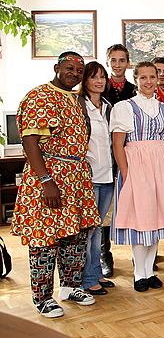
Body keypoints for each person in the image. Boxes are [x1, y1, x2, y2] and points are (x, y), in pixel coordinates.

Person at [12, 52, 100, 317]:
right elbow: (30, 142)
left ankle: (70, 286)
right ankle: (42, 297)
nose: (74, 72)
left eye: (79, 69)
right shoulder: (41, 95)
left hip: (76, 175)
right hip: (50, 175)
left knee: (75, 235)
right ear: (56, 68)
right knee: (45, 239)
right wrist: (46, 181)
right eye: (69, 67)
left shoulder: (75, 99)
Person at [110, 62, 164, 292]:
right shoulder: (125, 107)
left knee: (156, 218)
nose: (148, 81)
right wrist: (127, 174)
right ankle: (138, 273)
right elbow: (118, 144)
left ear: (158, 79)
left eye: (152, 77)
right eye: (143, 77)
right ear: (135, 79)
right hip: (137, 165)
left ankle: (150, 270)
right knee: (141, 218)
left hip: (162, 166)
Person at [79, 61, 116, 296]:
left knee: (99, 228)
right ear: (85, 81)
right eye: (94, 77)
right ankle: (87, 278)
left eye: (103, 77)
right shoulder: (78, 105)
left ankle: (96, 274)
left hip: (108, 175)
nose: (100, 81)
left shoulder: (108, 107)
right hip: (88, 176)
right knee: (89, 229)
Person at [102, 43, 136, 278]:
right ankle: (105, 253)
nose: (117, 65)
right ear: (108, 63)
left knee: (135, 200)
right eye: (113, 60)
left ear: (128, 63)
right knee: (104, 206)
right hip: (104, 151)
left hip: (131, 151)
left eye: (121, 60)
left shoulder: (135, 90)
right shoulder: (99, 88)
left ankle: (140, 252)